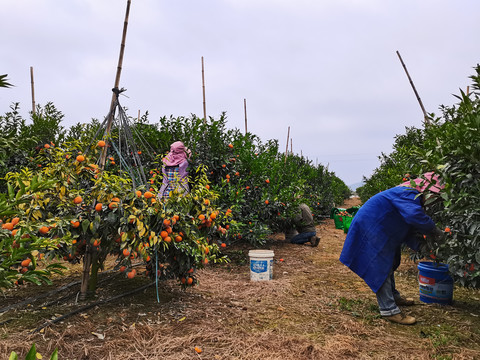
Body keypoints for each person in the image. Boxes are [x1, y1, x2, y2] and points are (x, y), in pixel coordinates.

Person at [339, 172, 444, 325]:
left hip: (381, 229)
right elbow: (413, 216)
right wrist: (433, 230)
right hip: (371, 227)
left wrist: (422, 247)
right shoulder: (408, 193)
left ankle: (393, 296)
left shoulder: (410, 195)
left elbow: (408, 227)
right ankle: (388, 310)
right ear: (426, 190)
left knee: (391, 261)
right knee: (380, 267)